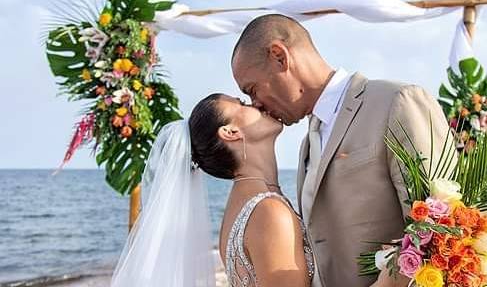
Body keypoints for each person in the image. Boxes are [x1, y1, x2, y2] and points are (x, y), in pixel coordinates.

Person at [231, 14, 453, 286]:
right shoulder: (306, 145)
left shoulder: (396, 102)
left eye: (253, 89)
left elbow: (443, 232)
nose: (257, 105)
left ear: (279, 57)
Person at [111, 93, 394, 287]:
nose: (257, 103)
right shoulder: (268, 212)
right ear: (231, 132)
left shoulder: (249, 205)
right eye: (242, 103)